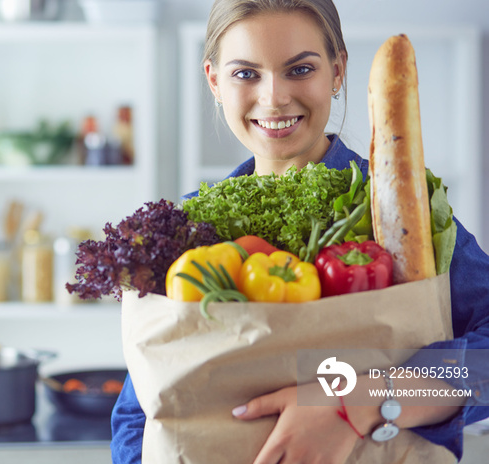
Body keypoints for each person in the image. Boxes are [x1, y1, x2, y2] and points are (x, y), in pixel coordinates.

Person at [110, 0, 489, 463]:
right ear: (213, 80)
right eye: (245, 74)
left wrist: (358, 402)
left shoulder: (400, 214)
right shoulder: (191, 225)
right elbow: (140, 412)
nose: (274, 98)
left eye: (300, 69)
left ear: (337, 70)